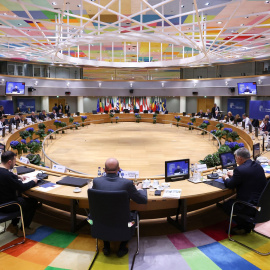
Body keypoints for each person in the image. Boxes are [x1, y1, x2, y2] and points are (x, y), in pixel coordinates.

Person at [92, 158, 147, 257]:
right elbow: (142, 200)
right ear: (119, 169)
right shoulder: (127, 183)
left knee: (99, 216)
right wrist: (140, 189)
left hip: (100, 222)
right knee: (136, 215)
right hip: (126, 224)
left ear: (104, 170)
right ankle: (122, 246)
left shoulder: (96, 182)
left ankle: (106, 246)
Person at [219, 147, 267, 235]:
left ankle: (245, 225)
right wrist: (236, 175)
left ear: (240, 158)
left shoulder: (239, 170)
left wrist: (225, 178)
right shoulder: (258, 166)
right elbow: (248, 176)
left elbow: (229, 185)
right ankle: (246, 224)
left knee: (225, 205)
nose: (236, 160)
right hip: (263, 205)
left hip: (249, 207)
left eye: (236, 158)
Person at [0, 151, 38, 236]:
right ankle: (24, 229)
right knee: (32, 202)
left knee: (20, 197)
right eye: (14, 161)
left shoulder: (6, 173)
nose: (15, 163)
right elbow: (22, 187)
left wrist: (17, 176)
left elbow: (5, 177)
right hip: (7, 206)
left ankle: (13, 225)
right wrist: (33, 181)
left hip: (1, 203)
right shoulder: (8, 175)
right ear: (9, 162)